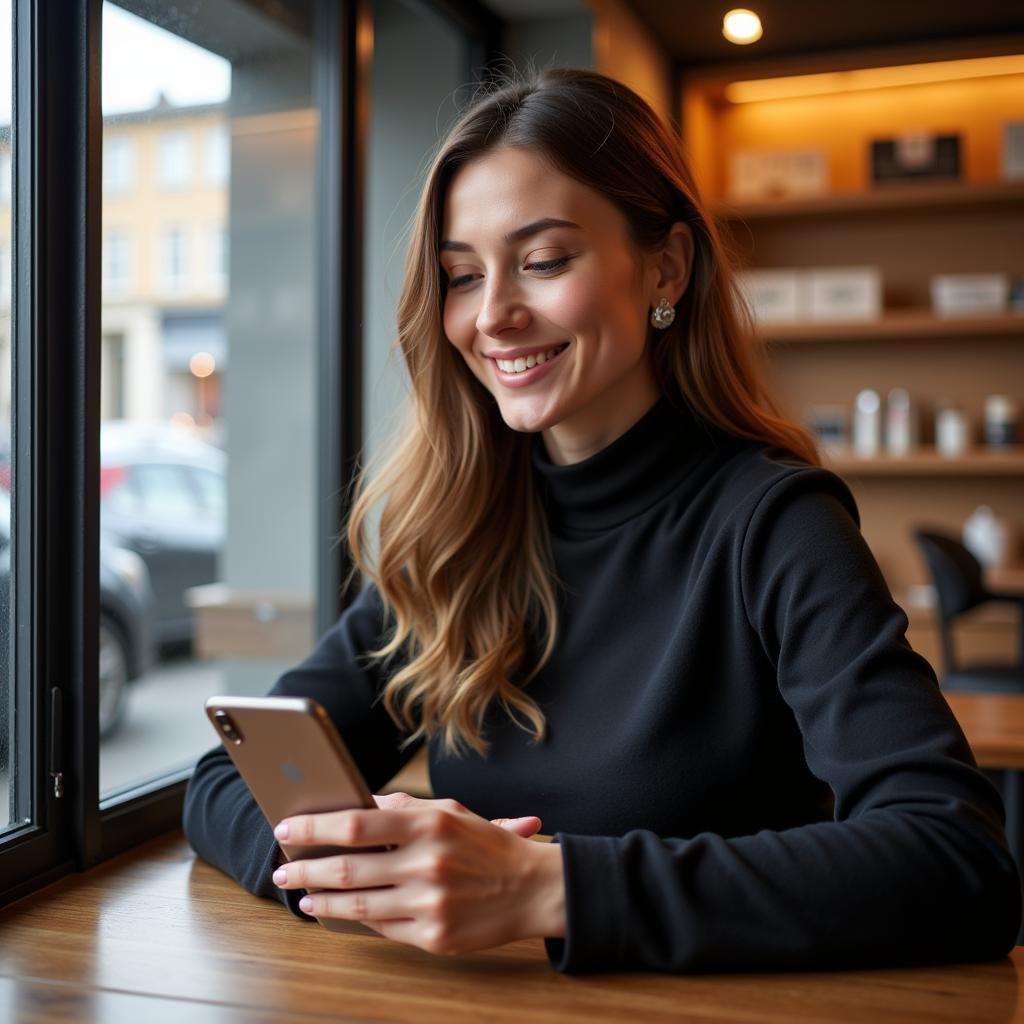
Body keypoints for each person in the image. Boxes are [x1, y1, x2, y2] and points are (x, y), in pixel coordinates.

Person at [183, 67, 1021, 973]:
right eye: (462, 276)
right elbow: (227, 777)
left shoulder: (777, 525)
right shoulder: (457, 535)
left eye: (543, 262)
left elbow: (957, 860)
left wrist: (543, 887)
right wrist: (366, 870)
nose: (494, 315)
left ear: (666, 265)